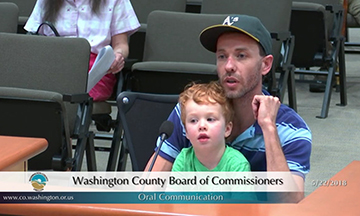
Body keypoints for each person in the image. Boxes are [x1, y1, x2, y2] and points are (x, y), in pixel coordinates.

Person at [145, 14, 312, 203]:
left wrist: (268, 128)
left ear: (265, 65)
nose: (229, 66)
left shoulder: (292, 130)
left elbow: (289, 203)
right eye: (222, 56)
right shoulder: (194, 110)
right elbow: (151, 184)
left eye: (241, 55)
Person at [24, 0, 140, 101]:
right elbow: (33, 39)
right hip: (53, 65)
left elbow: (121, 44)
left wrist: (118, 55)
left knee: (71, 94)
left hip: (93, 70)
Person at [171, 81, 250, 172]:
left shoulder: (237, 165)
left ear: (227, 129)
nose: (201, 126)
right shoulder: (184, 159)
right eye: (193, 121)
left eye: (210, 119)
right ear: (186, 132)